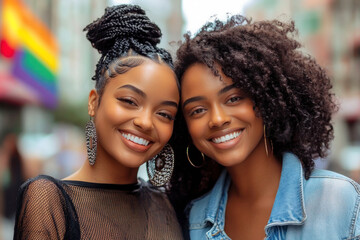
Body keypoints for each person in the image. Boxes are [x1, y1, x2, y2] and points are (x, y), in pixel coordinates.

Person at [169, 15, 360, 239]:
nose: (218, 119)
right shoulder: (193, 219)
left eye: (233, 99)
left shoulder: (338, 199)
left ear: (266, 99)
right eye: (197, 110)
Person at [14, 4, 183, 239]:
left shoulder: (168, 204)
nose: (145, 122)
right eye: (129, 101)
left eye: (164, 114)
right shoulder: (49, 199)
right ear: (94, 102)